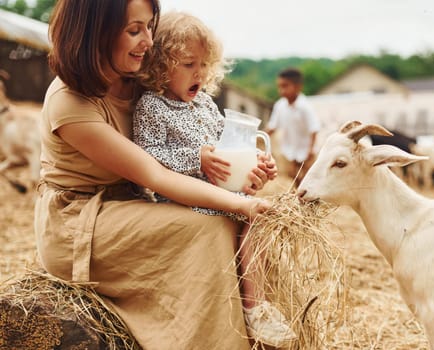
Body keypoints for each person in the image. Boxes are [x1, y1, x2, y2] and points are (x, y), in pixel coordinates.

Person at [34, 1, 276, 349]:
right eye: (134, 30)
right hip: (79, 223)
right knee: (209, 226)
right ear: (94, 32)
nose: (148, 40)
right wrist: (243, 206)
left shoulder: (138, 83)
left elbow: (198, 144)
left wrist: (243, 174)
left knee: (228, 220)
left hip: (131, 205)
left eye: (150, 26)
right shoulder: (68, 103)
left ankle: (253, 327)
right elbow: (156, 175)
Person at [132, 11, 296, 348]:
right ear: (161, 64)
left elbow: (231, 149)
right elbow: (147, 157)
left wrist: (256, 167)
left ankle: (260, 304)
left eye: (205, 64)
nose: (200, 73)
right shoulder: (151, 106)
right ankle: (252, 308)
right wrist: (198, 159)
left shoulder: (206, 104)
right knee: (240, 220)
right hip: (184, 200)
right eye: (189, 64)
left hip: (223, 192)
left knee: (260, 220)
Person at [266, 67, 321, 187]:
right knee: (293, 178)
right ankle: (297, 202)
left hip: (306, 151)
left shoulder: (305, 107)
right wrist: (259, 138)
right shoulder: (280, 106)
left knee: (307, 180)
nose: (281, 90)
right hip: (289, 151)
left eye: (285, 86)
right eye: (279, 86)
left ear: (297, 87)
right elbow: (272, 127)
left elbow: (314, 129)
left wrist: (310, 149)